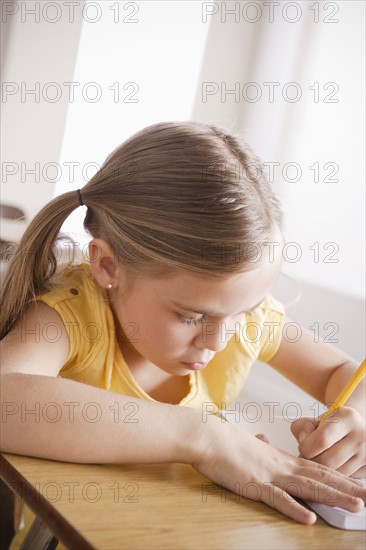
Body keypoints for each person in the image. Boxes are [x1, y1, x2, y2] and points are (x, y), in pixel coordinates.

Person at [0, 121, 365, 528]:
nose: (218, 339)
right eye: (191, 316)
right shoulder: (70, 315)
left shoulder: (245, 322)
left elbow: (344, 373)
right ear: (107, 265)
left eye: (245, 310)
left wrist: (357, 417)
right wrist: (205, 436)